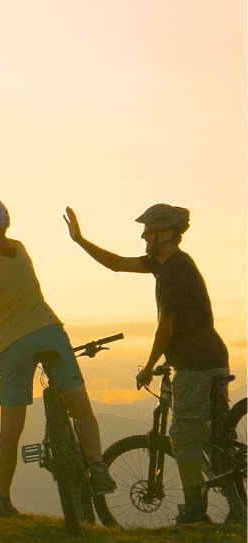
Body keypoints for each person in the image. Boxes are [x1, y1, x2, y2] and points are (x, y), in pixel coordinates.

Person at [64, 203, 231, 524]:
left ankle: (195, 511)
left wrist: (148, 366)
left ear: (166, 234)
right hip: (212, 358)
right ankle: (236, 500)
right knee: (215, 436)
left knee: (183, 437)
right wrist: (80, 240)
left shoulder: (171, 273)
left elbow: (165, 328)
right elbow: (115, 264)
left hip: (195, 366)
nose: (143, 236)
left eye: (149, 232)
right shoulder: (172, 264)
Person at [0, 198, 114, 519]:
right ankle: (98, 466)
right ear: (7, 222)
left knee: (10, 430)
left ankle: (3, 500)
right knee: (81, 410)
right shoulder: (20, 248)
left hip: (12, 346)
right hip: (50, 332)